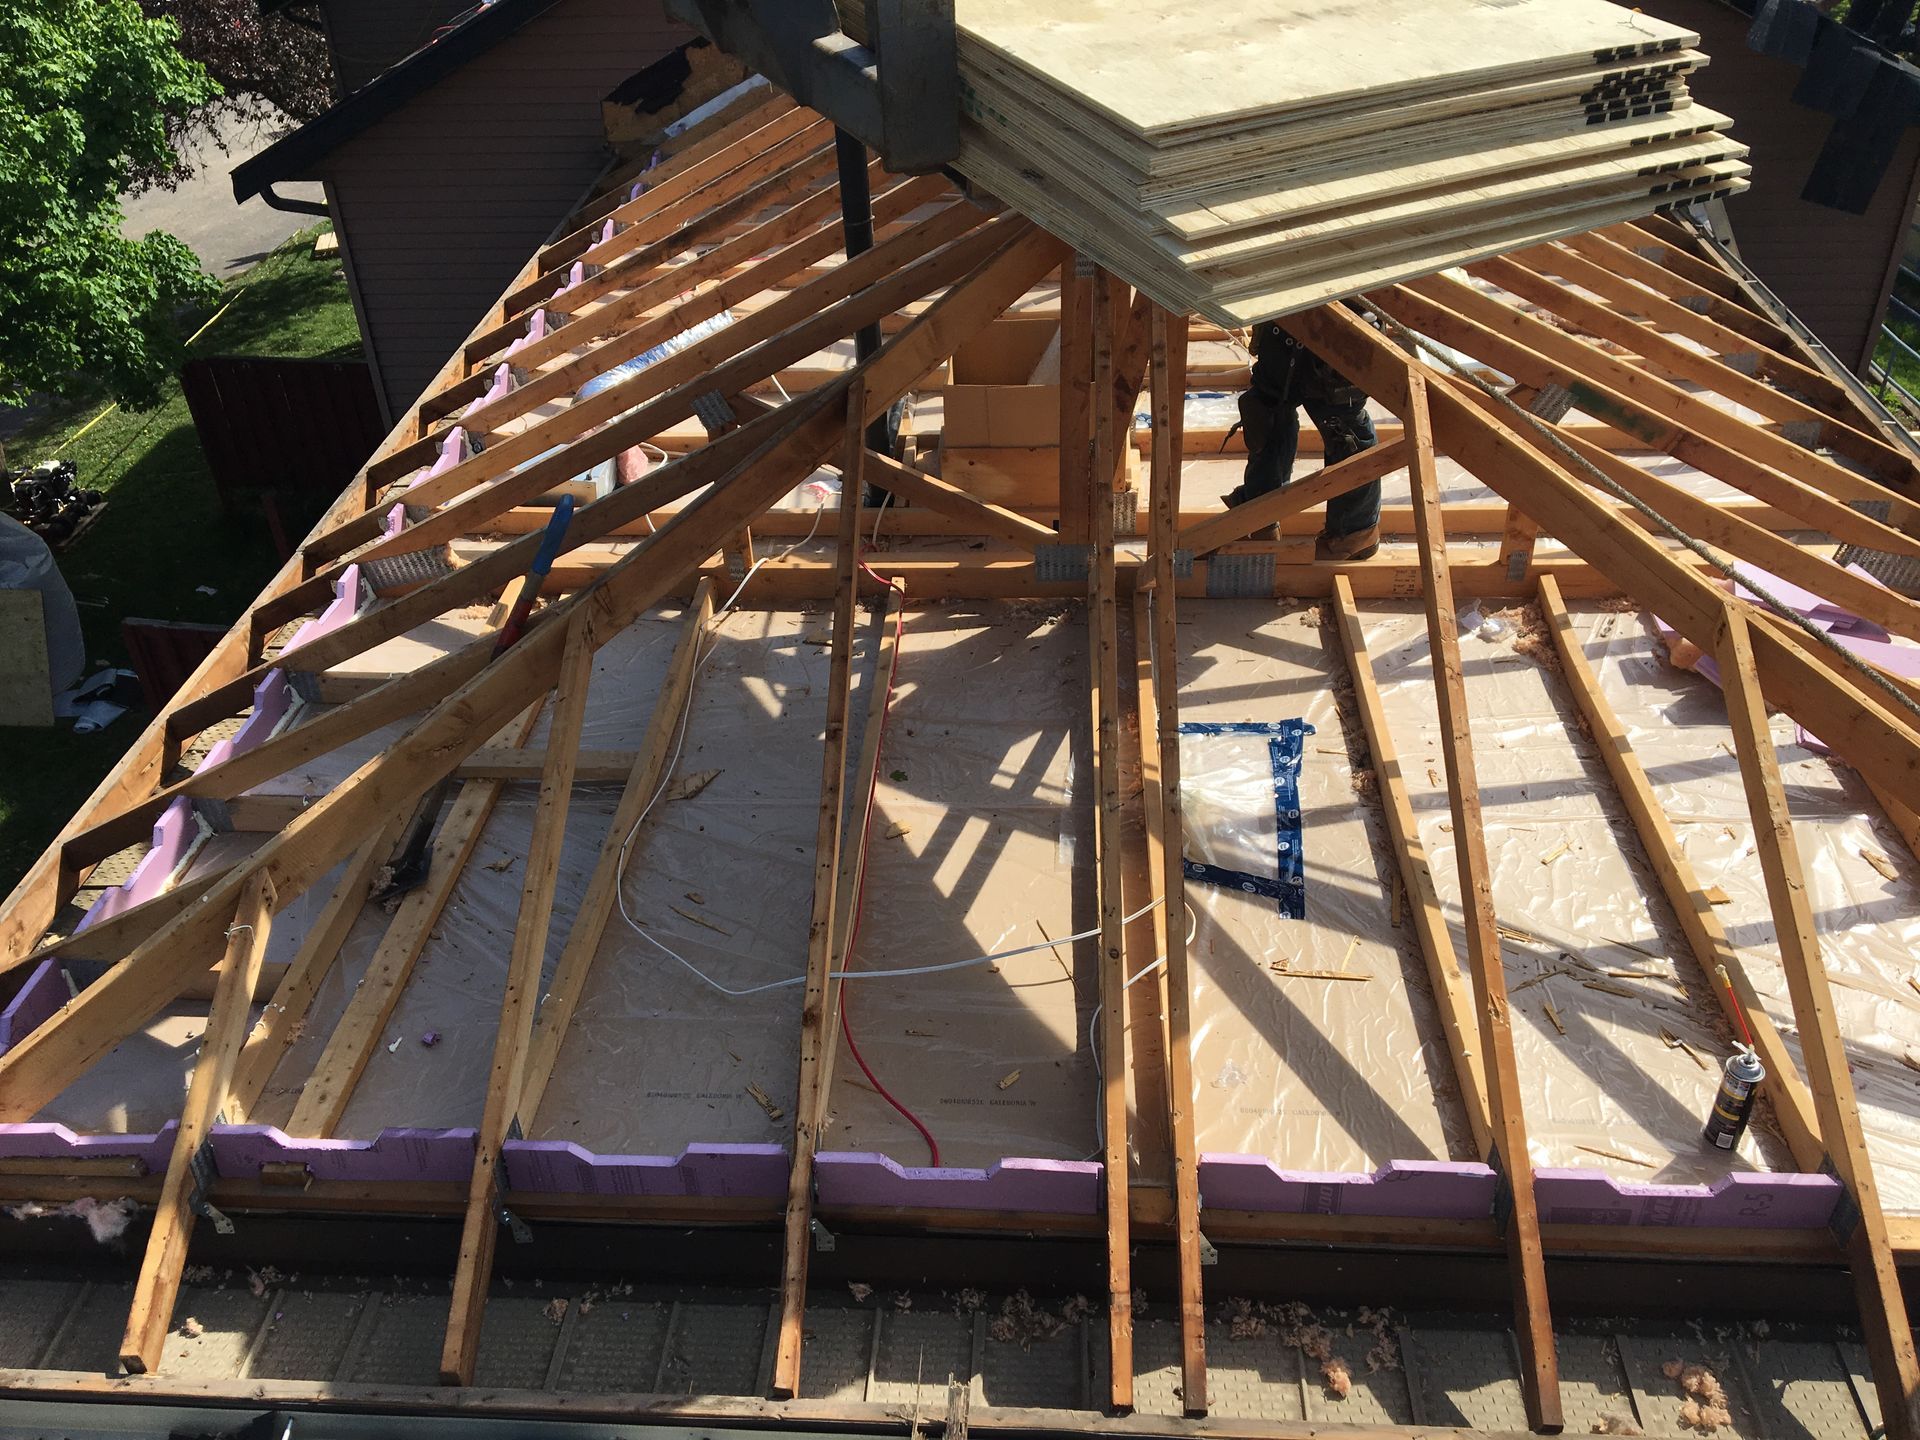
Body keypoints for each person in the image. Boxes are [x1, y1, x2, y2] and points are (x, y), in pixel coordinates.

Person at [1222, 320, 1381, 560]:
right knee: (1267, 410)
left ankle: (1354, 534)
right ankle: (1258, 519)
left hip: (1341, 330)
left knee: (1345, 429)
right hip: (1284, 322)